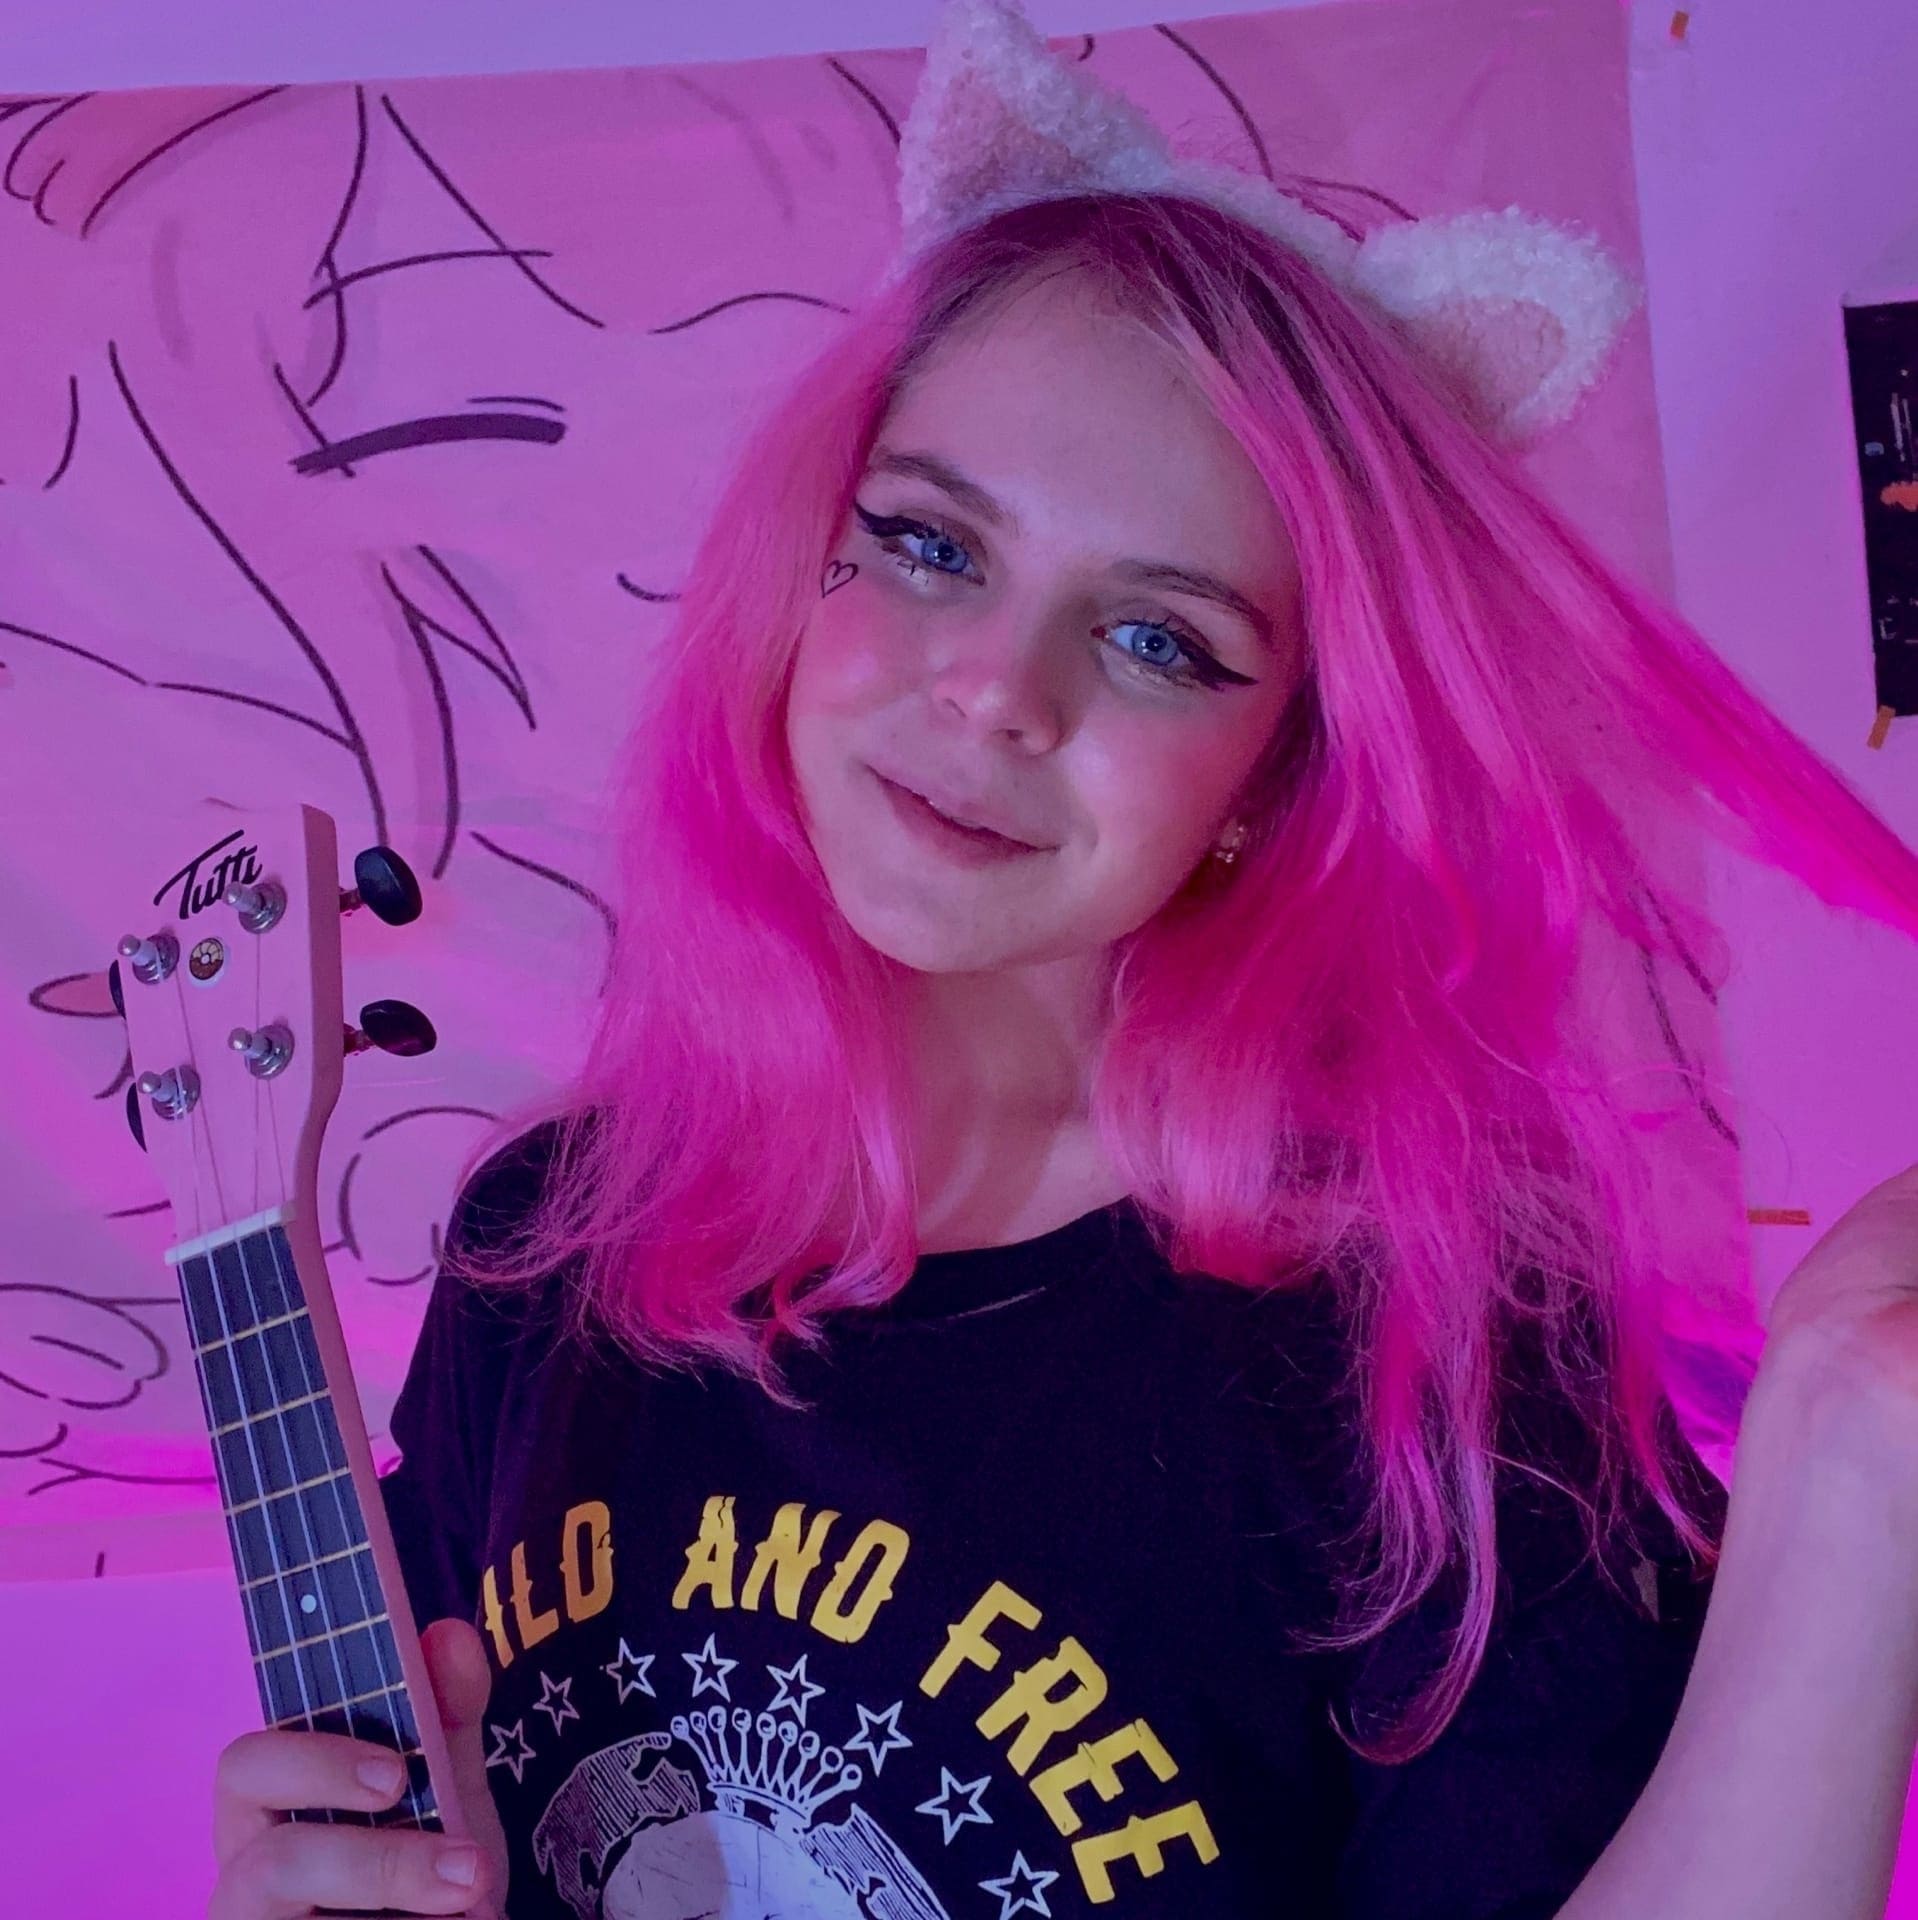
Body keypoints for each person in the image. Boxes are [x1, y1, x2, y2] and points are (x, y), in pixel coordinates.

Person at [208, 7, 1918, 1918]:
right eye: (931, 545)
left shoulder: (1435, 1368)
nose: (995, 693)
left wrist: (1858, 1457)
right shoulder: (542, 1249)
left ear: (1275, 771)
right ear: (804, 567)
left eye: (1157, 640)